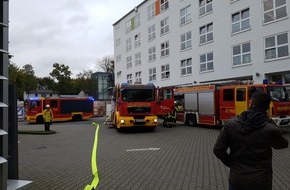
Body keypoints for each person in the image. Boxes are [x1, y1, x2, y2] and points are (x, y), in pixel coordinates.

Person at [213, 91, 288, 190]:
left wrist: (233, 164)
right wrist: (270, 120)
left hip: (237, 180)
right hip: (261, 182)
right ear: (267, 108)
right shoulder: (270, 129)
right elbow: (283, 144)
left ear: (251, 103)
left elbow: (218, 150)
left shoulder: (230, 124)